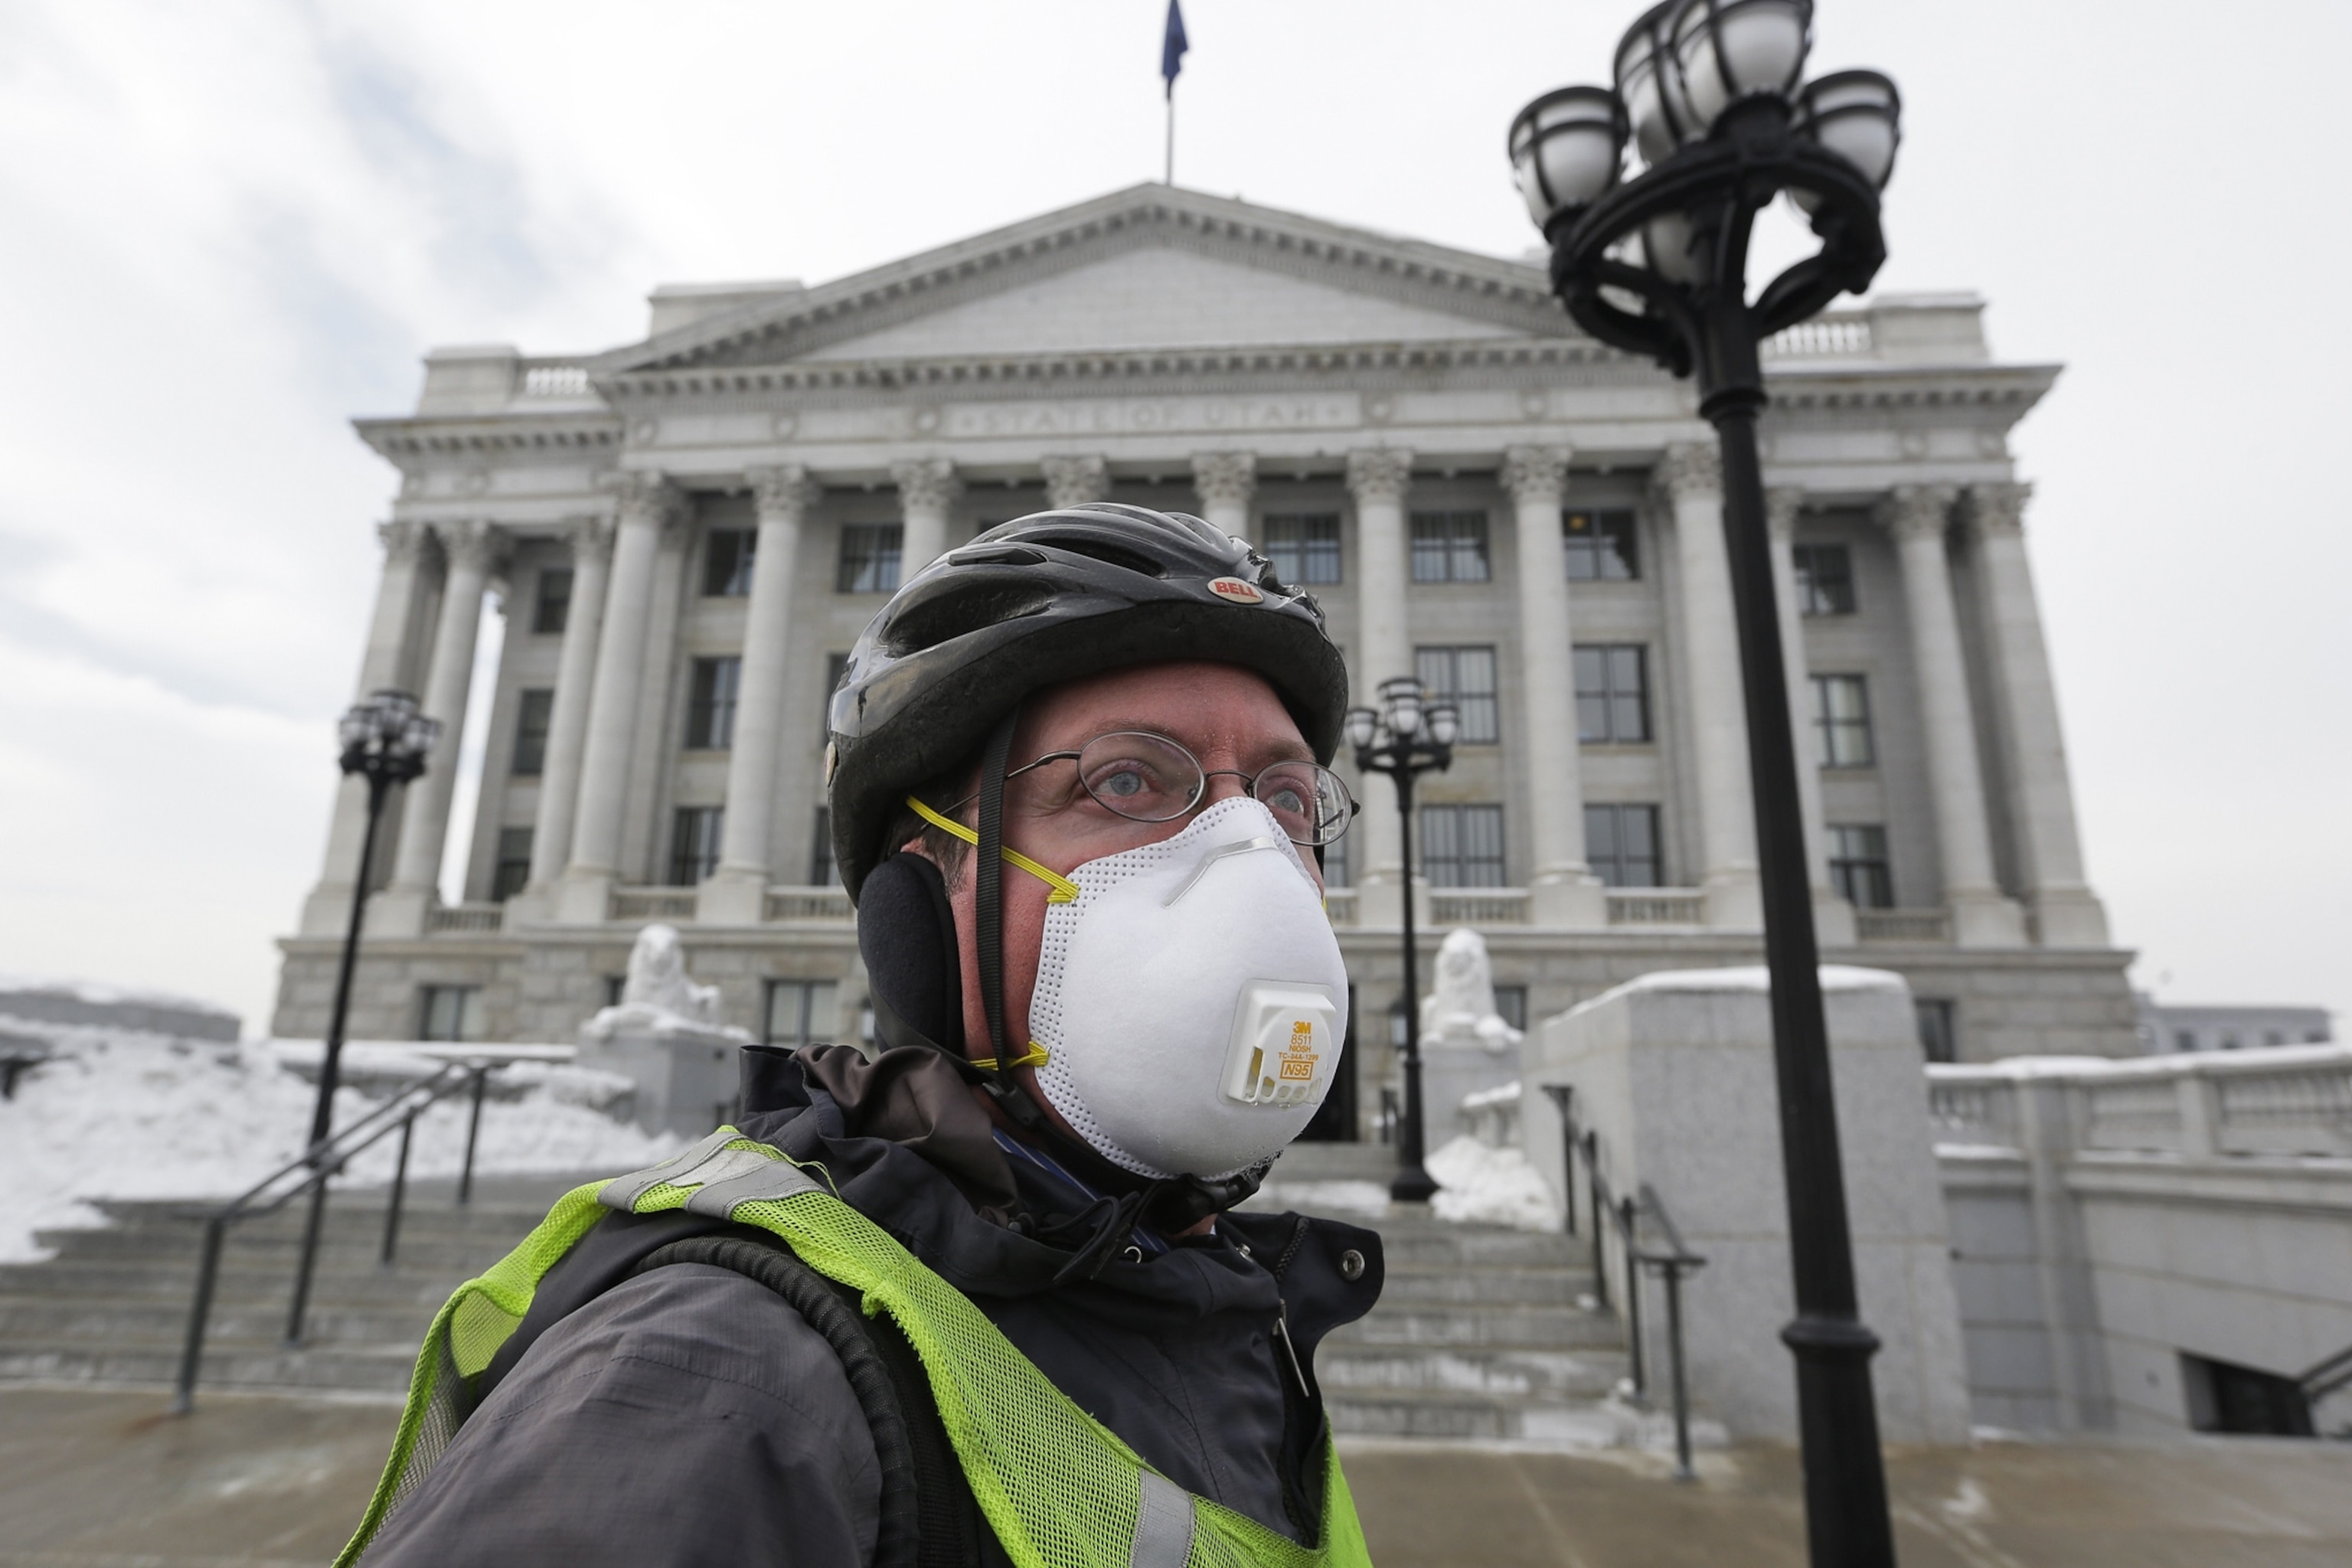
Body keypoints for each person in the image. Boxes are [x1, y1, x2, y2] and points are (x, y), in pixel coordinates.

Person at [343, 504, 1383, 1568]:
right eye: (1125, 781)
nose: (1249, 852)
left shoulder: (1235, 1317)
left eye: (1286, 800)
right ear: (920, 912)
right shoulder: (708, 1381)